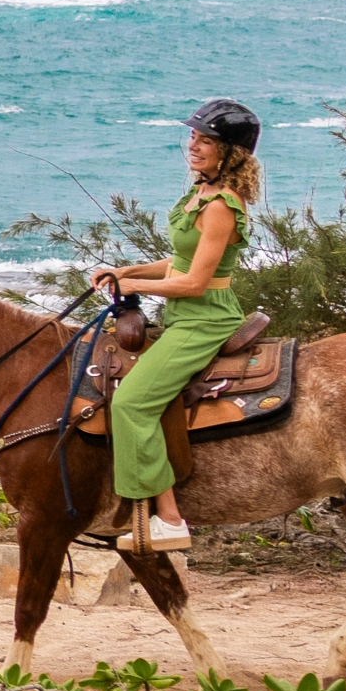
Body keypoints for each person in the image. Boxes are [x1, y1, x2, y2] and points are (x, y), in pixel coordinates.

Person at [94, 101, 261, 558]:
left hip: (205, 319)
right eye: (193, 137)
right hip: (184, 316)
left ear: (230, 153)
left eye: (206, 141)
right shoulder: (200, 193)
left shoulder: (222, 206)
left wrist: (133, 285)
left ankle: (168, 520)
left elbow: (194, 283)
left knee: (131, 403)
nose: (194, 146)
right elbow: (181, 261)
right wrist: (126, 270)